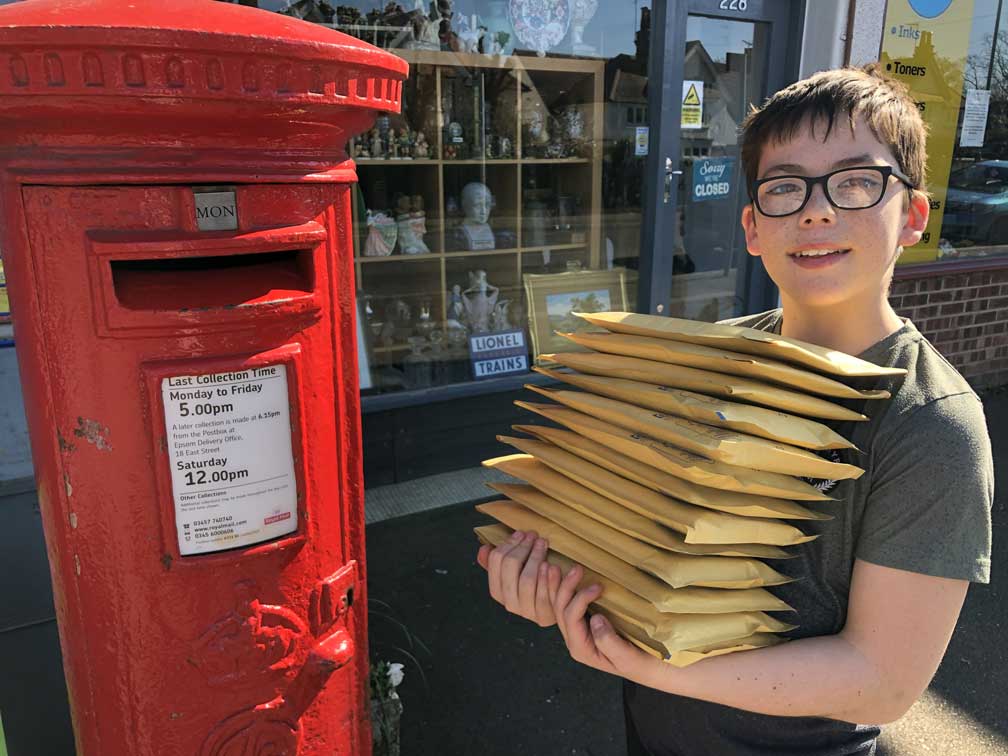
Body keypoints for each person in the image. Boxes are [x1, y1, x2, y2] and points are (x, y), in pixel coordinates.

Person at [476, 63, 994, 755]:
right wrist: (554, 584)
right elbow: (640, 538)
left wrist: (650, 665)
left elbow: (882, 681)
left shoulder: (931, 425)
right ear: (753, 227)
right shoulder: (712, 359)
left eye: (856, 182)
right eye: (786, 188)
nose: (817, 210)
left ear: (913, 217)